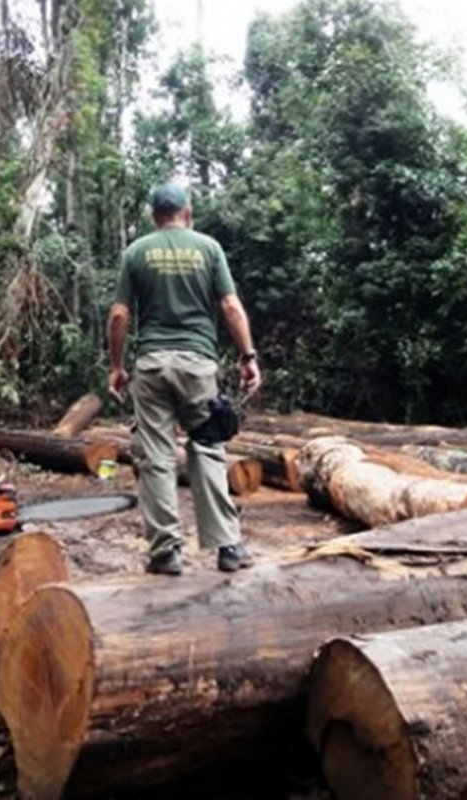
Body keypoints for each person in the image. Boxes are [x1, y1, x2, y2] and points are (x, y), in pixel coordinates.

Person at [107, 183, 262, 576]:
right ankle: (228, 547)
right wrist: (248, 357)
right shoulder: (209, 248)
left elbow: (119, 315)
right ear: (187, 212)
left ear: (154, 215)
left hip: (152, 366)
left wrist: (117, 366)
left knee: (156, 457)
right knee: (208, 449)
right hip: (198, 366)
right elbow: (230, 305)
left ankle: (165, 553)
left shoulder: (136, 251)